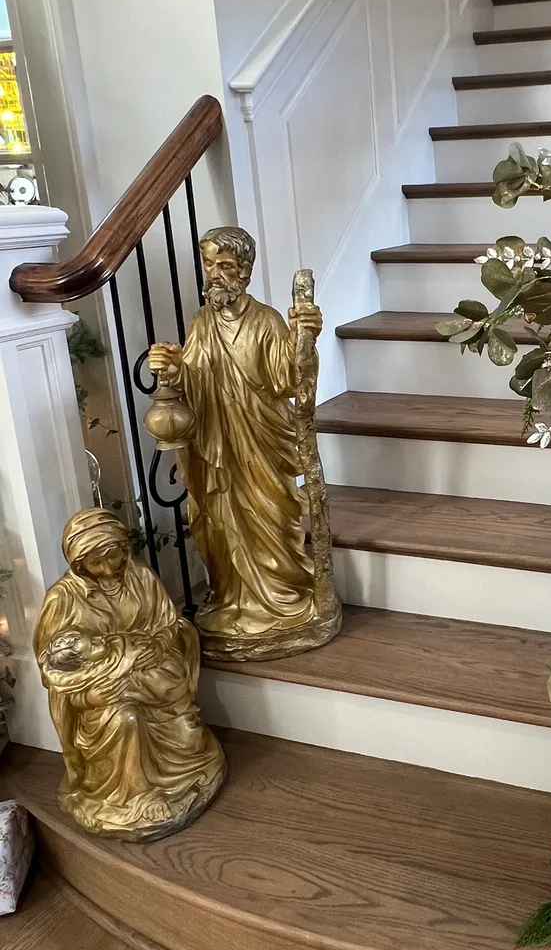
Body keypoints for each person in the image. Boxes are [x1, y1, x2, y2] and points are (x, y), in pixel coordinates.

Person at [147, 226, 337, 660]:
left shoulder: (266, 320)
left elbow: (289, 379)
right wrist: (174, 370)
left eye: (225, 266)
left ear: (245, 272)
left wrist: (305, 341)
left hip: (261, 445)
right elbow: (195, 378)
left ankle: (282, 592)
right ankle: (235, 598)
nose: (214, 275)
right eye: (209, 265)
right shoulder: (200, 322)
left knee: (272, 513)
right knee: (217, 519)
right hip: (215, 446)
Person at [34, 509, 225, 840]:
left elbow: (169, 623)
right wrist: (95, 679)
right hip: (100, 690)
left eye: (116, 554)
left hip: (151, 667)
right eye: (97, 562)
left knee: (185, 727)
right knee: (126, 719)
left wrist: (158, 644)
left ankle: (174, 762)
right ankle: (136, 796)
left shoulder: (140, 576)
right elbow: (51, 662)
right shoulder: (62, 598)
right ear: (79, 564)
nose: (110, 568)